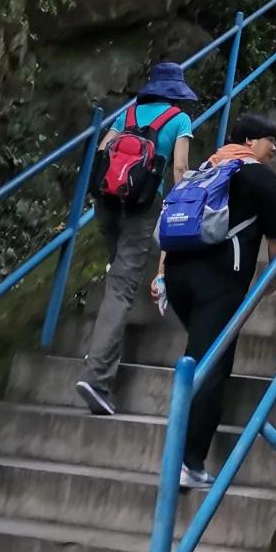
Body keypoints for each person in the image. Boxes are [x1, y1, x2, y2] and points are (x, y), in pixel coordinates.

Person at [151, 113, 276, 490]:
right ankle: (188, 462)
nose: (273, 147)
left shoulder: (204, 170)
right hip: (220, 281)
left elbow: (173, 221)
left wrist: (162, 274)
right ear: (248, 142)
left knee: (202, 354)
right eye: (268, 139)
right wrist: (269, 282)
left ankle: (186, 453)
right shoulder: (260, 176)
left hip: (179, 276)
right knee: (211, 365)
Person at [76, 60, 197, 418]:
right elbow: (179, 168)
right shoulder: (179, 119)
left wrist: (94, 194)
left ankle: (97, 348)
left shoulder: (128, 114)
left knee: (118, 274)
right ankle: (96, 377)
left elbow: (102, 152)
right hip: (142, 205)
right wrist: (180, 208)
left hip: (107, 201)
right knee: (121, 286)